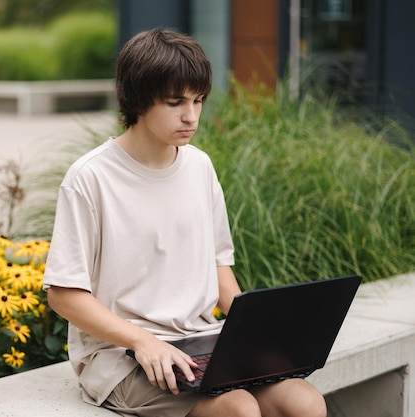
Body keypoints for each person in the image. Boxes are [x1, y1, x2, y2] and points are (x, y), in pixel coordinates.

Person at [43, 28, 327, 417]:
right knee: (239, 409)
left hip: (201, 340)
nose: (190, 116)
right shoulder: (90, 177)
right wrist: (144, 341)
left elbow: (217, 264)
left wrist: (253, 334)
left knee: (305, 402)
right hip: (121, 355)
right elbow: (63, 293)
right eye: (175, 102)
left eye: (198, 101)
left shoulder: (199, 166)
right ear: (139, 99)